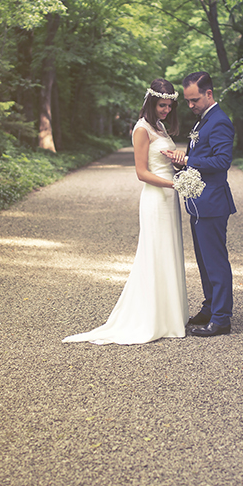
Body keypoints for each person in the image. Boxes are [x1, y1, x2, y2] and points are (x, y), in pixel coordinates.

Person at [63, 79, 188, 345]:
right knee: (154, 253)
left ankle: (170, 316)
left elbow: (162, 161)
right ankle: (151, 318)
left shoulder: (161, 127)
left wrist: (176, 162)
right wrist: (174, 184)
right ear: (151, 102)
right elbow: (142, 173)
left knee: (170, 251)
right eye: (161, 105)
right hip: (156, 198)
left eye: (169, 105)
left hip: (169, 197)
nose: (166, 110)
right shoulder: (142, 129)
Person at [162, 71, 236, 337]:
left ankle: (221, 319)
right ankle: (210, 306)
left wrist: (187, 161)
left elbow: (221, 162)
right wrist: (181, 161)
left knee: (215, 262)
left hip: (213, 202)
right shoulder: (203, 121)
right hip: (199, 203)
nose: (190, 105)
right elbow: (200, 154)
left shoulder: (219, 122)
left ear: (209, 94)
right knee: (204, 261)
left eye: (194, 100)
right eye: (188, 101)